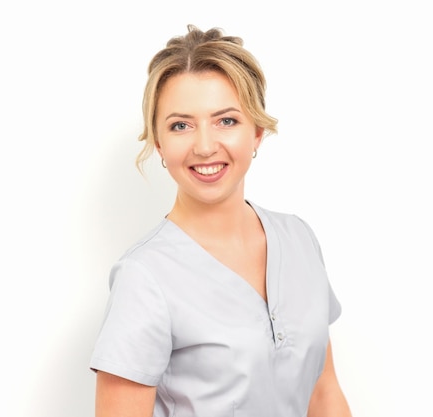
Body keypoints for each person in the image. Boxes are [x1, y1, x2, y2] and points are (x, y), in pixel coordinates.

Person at [89, 24, 352, 417]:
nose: (205, 146)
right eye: (181, 125)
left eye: (226, 120)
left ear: (257, 131)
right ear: (159, 142)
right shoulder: (144, 277)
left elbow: (323, 393)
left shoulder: (298, 238)